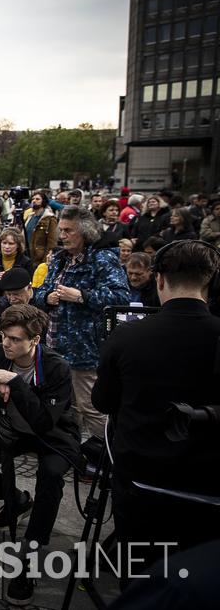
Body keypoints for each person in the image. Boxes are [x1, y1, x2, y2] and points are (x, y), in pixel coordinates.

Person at [93, 240, 220, 580]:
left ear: (159, 280)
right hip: (207, 486)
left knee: (140, 577)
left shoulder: (127, 336)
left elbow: (103, 402)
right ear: (210, 282)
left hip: (141, 479)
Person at [0, 304, 80, 606]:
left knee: (50, 476)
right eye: (5, 338)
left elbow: (43, 421)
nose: (7, 344)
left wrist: (14, 383)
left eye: (15, 339)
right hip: (11, 429)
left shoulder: (56, 366)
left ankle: (32, 553)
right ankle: (17, 500)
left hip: (51, 436)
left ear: (35, 340)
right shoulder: (1, 354)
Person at [32, 206, 129, 438]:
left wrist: (80, 296)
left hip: (85, 349)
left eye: (68, 231)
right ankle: (76, 454)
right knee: (67, 408)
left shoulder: (102, 258)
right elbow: (39, 292)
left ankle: (107, 455)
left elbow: (120, 297)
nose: (61, 236)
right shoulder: (59, 258)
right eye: (61, 230)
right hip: (55, 346)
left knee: (91, 408)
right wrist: (47, 297)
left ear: (85, 232)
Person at [22, 190, 58, 265]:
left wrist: (45, 261)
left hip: (39, 258)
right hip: (27, 255)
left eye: (37, 199)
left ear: (43, 201)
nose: (34, 201)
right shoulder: (29, 217)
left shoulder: (50, 218)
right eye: (33, 199)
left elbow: (52, 242)